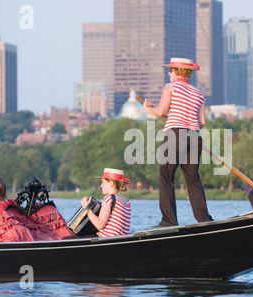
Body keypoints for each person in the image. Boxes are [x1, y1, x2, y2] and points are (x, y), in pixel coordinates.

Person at [142, 57, 213, 227]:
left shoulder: (171, 87)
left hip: (175, 135)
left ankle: (169, 221)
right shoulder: (199, 94)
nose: (168, 73)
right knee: (193, 180)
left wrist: (146, 108)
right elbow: (202, 122)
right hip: (195, 137)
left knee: (166, 178)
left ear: (177, 72)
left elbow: (160, 111)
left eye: (171, 70)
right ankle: (204, 220)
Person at [81, 168, 131, 237]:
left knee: (67, 239)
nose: (101, 185)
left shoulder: (109, 198)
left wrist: (87, 208)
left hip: (106, 239)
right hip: (120, 239)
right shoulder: (126, 201)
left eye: (103, 182)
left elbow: (99, 225)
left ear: (111, 183)